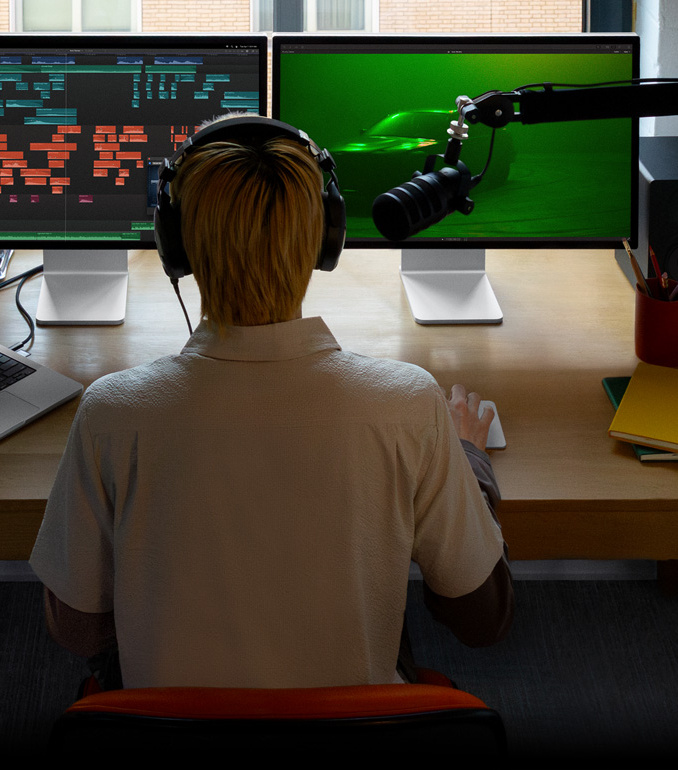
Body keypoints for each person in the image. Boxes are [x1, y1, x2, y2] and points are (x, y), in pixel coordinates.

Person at [28, 115, 510, 690]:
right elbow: (483, 618)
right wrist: (468, 462)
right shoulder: (408, 406)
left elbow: (78, 630)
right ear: (326, 240)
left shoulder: (111, 413)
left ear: (176, 245)